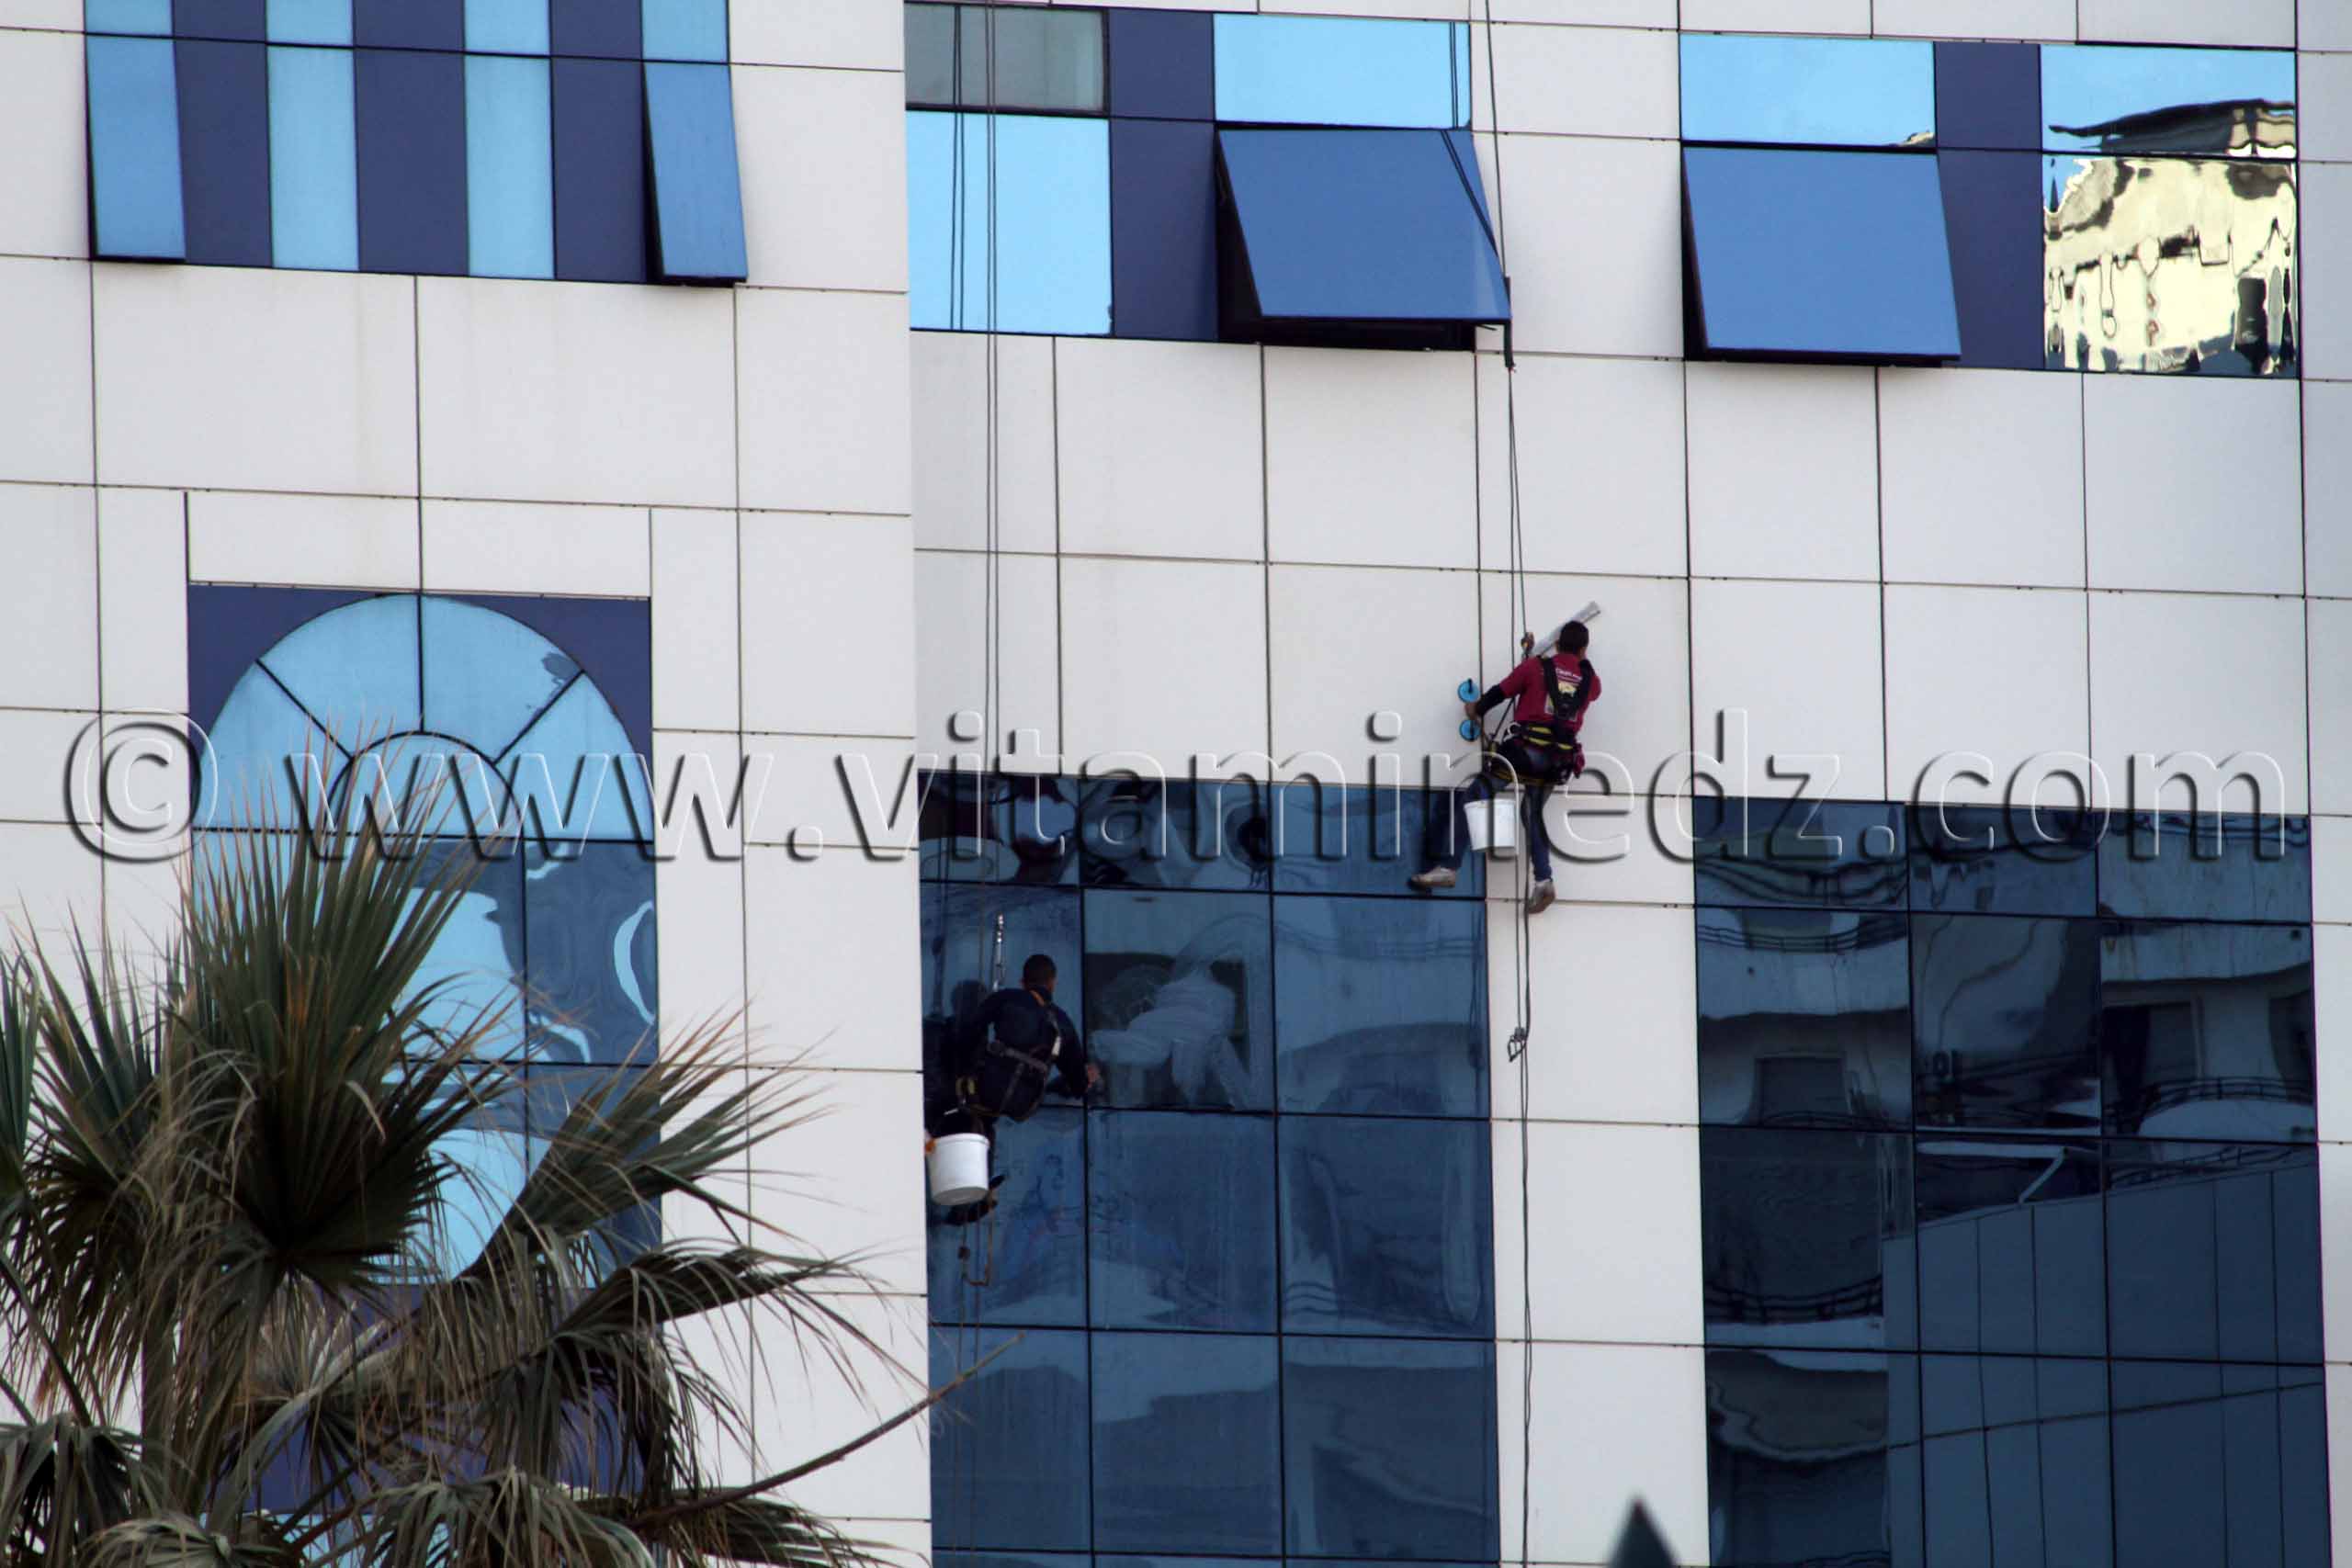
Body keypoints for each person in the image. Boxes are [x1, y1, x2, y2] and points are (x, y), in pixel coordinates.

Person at [1410, 619, 1600, 914]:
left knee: (1474, 796)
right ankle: (1544, 881)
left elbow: (1501, 692)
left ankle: (1448, 868)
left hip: (1524, 753)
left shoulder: (1536, 667)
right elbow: (1587, 687)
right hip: (1558, 761)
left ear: (1558, 644)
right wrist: (1581, 664)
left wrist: (1475, 709)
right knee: (1532, 813)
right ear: (1583, 649)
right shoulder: (1590, 681)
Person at [928, 953, 1098, 1223]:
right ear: (1053, 983)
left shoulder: (1006, 999)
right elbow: (1078, 1084)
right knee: (985, 1121)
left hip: (984, 1089)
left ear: (1023, 981)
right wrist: (1088, 1077)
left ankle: (963, 1186)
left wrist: (963, 1065)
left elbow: (970, 1031)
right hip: (1022, 1102)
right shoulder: (1063, 1023)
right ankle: (976, 1192)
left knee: (953, 1111)